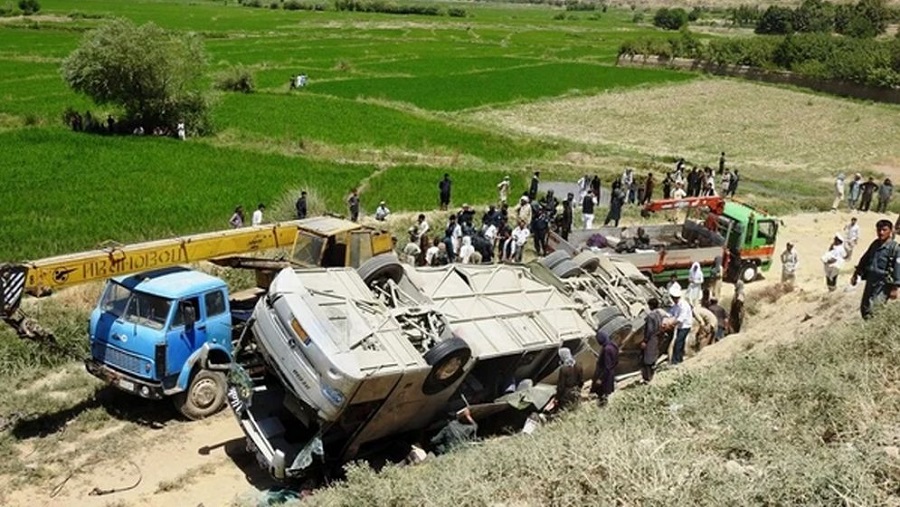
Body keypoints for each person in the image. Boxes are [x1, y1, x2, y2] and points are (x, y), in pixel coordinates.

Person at [852, 219, 900, 319]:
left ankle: (874, 326)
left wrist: (895, 287)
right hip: (871, 280)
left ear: (890, 231)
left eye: (884, 230)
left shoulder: (895, 248)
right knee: (865, 307)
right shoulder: (875, 244)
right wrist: (856, 273)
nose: (881, 232)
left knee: (876, 308)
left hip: (883, 283)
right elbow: (865, 259)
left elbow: (897, 267)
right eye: (879, 230)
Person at [591, 330, 618, 406]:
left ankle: (602, 405)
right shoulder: (613, 345)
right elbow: (615, 361)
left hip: (605, 375)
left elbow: (607, 367)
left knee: (603, 393)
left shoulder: (606, 349)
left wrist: (600, 378)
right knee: (608, 392)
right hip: (611, 373)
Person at [668, 285, 693, 365]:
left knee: (678, 343)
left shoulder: (684, 305)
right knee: (680, 343)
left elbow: (681, 318)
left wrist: (671, 323)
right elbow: (671, 312)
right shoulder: (676, 305)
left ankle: (676, 361)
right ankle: (679, 359)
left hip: (685, 326)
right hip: (680, 326)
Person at [640, 298, 663, 383]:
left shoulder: (650, 316)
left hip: (651, 339)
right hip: (657, 337)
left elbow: (649, 330)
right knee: (653, 356)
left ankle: (648, 378)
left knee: (647, 359)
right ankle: (652, 375)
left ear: (651, 306)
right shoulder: (659, 314)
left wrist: (645, 341)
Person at [555, 347, 583, 412]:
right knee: (576, 409)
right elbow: (581, 381)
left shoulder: (563, 369)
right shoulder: (579, 365)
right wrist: (578, 390)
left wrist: (557, 397)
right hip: (576, 391)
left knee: (566, 410)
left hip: (566, 394)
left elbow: (561, 386)